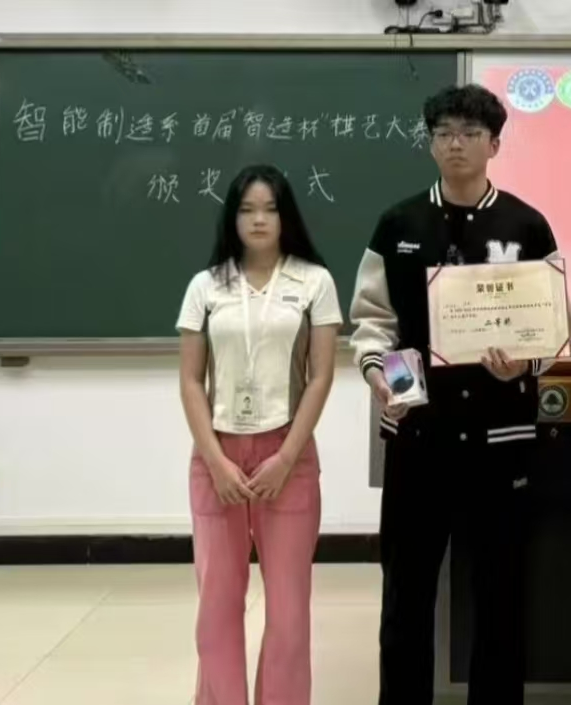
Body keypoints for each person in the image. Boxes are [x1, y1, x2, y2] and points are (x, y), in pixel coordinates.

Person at [349, 84, 567, 705]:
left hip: (502, 439)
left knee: (500, 593)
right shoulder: (398, 223)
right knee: (407, 592)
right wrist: (382, 377)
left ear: (494, 144)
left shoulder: (527, 225)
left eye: (470, 133)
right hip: (419, 436)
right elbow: (373, 320)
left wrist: (525, 361)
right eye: (444, 133)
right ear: (430, 143)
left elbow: (554, 325)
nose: (456, 144)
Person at [177, 164, 342, 705]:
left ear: (285, 215)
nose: (258, 219)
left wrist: (287, 457)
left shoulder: (314, 282)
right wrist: (216, 462)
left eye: (270, 208)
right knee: (216, 608)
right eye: (247, 209)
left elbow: (320, 376)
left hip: (287, 455)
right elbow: (190, 380)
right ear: (233, 217)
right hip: (217, 457)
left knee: (290, 613)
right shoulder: (206, 286)